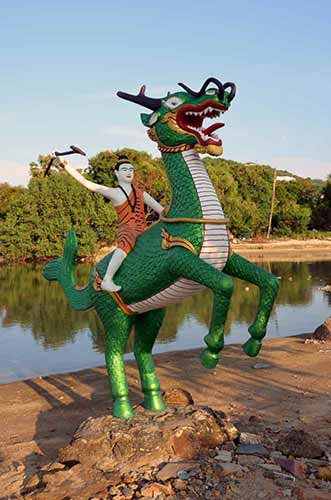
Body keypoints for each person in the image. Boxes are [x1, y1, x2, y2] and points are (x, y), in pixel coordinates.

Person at [58, 154, 164, 293]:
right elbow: (87, 183)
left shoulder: (141, 194)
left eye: (131, 170)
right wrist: (65, 166)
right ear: (117, 173)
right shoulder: (113, 192)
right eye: (125, 169)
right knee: (126, 242)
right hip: (127, 229)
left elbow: (161, 210)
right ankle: (107, 279)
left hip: (142, 229)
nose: (128, 172)